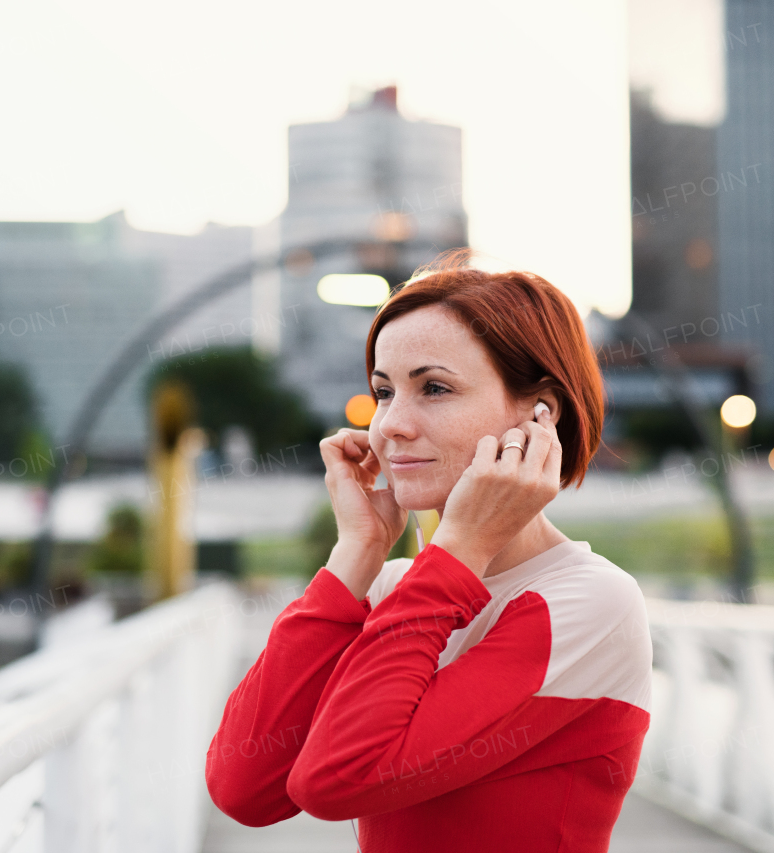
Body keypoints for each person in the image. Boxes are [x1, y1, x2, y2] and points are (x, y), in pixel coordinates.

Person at [205, 260, 652, 852]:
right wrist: (356, 554)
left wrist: (459, 548)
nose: (390, 425)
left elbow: (338, 778)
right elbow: (244, 787)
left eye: (434, 388)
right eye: (383, 391)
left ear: (541, 413)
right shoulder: (396, 589)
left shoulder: (589, 602)